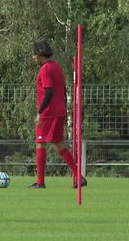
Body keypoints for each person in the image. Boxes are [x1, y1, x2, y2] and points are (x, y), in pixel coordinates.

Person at [29, 40, 86, 189]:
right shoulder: (57, 67)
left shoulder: (46, 69)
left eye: (34, 54)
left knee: (40, 143)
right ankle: (78, 176)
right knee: (59, 145)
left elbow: (49, 92)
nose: (33, 57)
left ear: (40, 55)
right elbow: (63, 91)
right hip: (59, 111)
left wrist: (40, 112)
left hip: (49, 113)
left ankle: (40, 182)